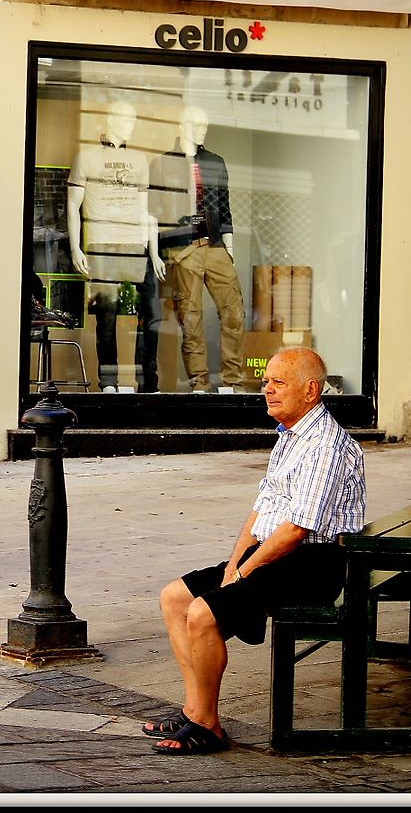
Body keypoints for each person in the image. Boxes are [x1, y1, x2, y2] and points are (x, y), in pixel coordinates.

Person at [143, 347, 365, 755]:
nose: (267, 390)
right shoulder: (290, 435)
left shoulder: (325, 444)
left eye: (278, 383)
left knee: (203, 613)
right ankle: (195, 709)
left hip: (313, 565)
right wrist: (233, 565)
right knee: (175, 597)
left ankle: (208, 726)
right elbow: (261, 510)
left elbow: (298, 529)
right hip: (275, 554)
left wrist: (244, 574)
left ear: (310, 390)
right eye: (266, 382)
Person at [67, 100, 165, 392]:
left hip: (135, 245)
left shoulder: (139, 161)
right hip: (102, 243)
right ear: (109, 119)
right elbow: (73, 206)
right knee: (107, 316)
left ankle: (144, 382)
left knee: (144, 317)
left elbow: (144, 209)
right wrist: (76, 248)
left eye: (133, 120)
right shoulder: (87, 156)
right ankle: (108, 381)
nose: (129, 124)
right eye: (124, 118)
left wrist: (154, 252)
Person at [148, 105, 245, 393]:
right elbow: (154, 212)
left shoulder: (215, 161)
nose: (202, 130)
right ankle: (199, 384)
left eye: (205, 125)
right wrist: (155, 252)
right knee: (191, 319)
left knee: (233, 312)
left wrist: (229, 247)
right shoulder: (162, 163)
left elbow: (225, 207)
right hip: (182, 248)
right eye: (196, 124)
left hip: (214, 245)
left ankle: (231, 382)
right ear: (182, 125)